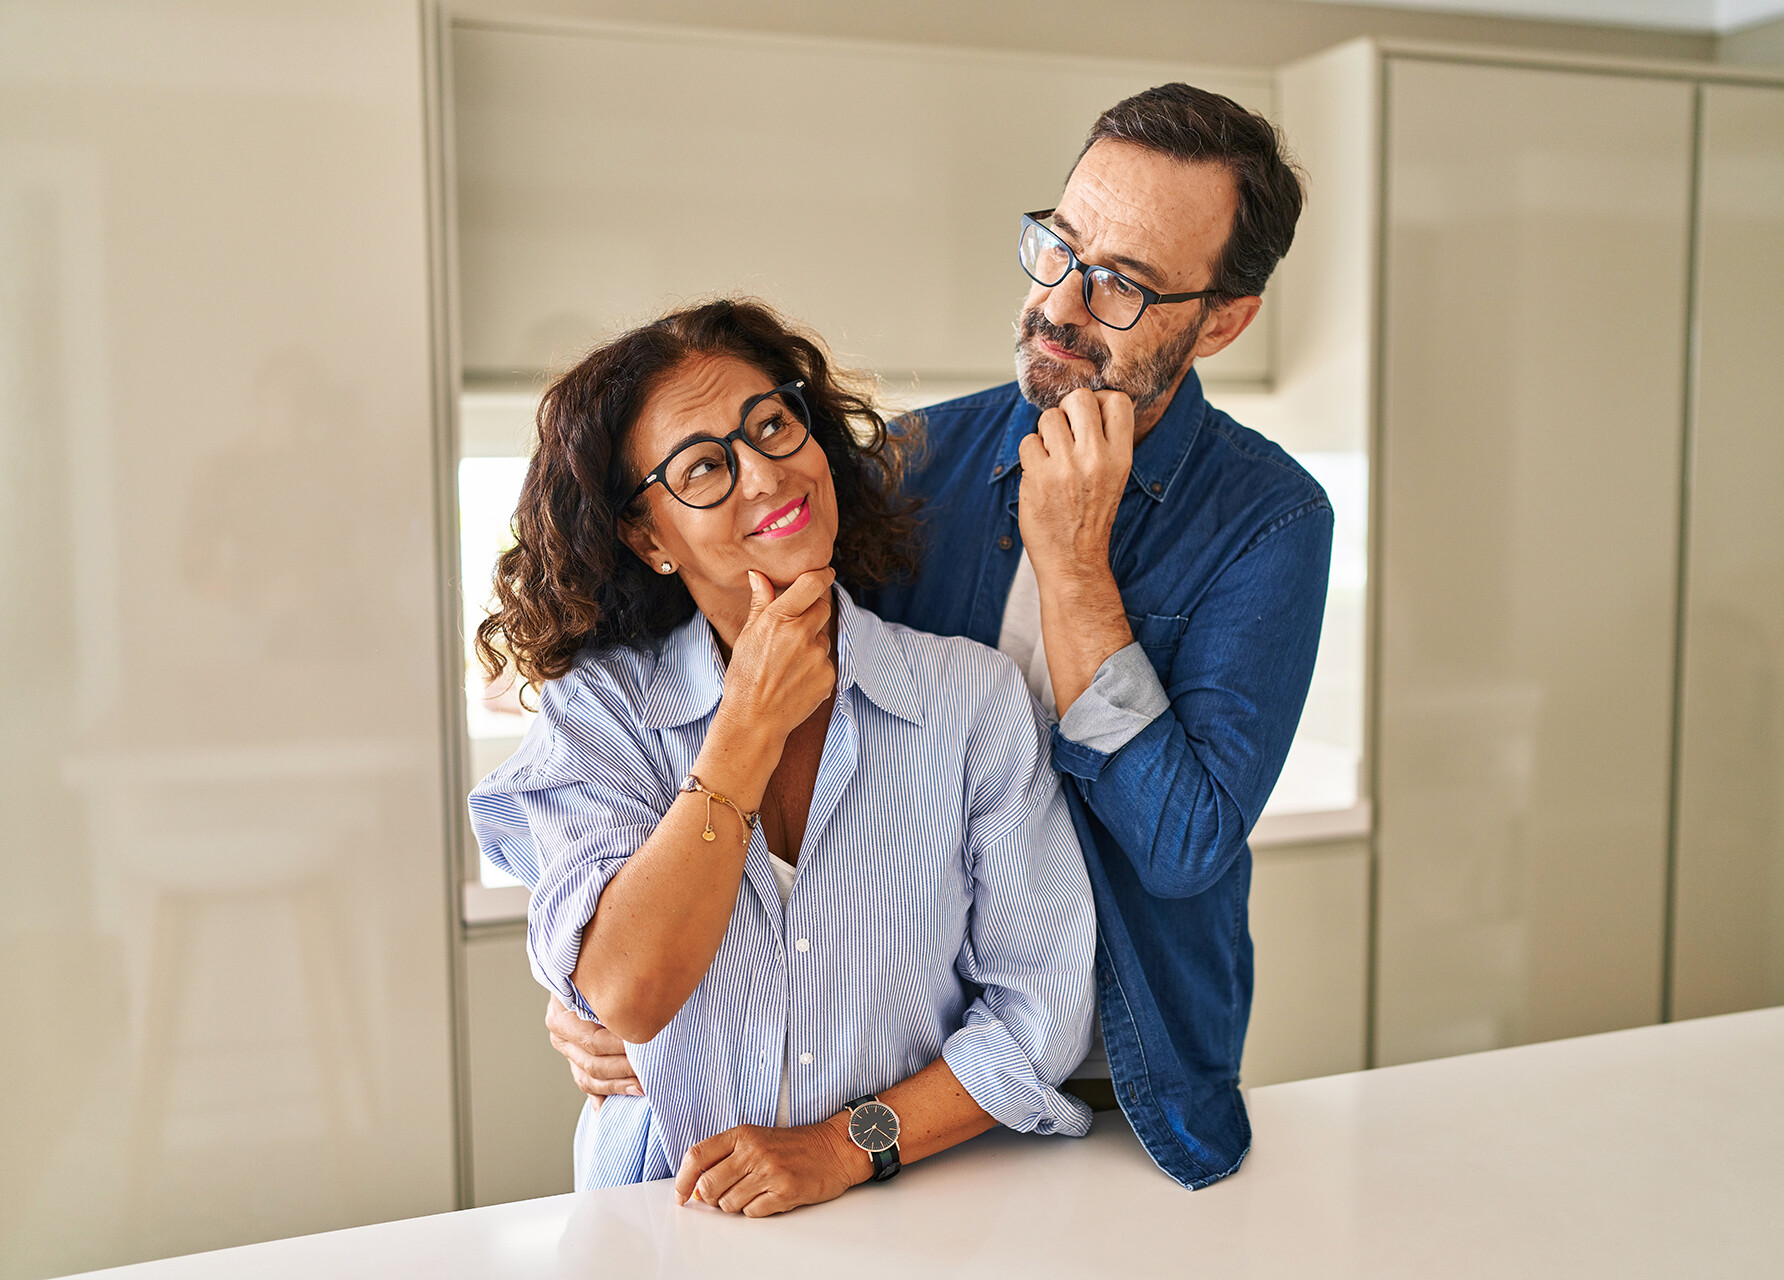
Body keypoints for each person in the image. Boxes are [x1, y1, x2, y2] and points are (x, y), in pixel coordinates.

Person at [550, 82, 1329, 1191]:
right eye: (1059, 247)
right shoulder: (908, 464)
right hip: (896, 1073)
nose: (1059, 303)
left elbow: (1182, 849)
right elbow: (724, 672)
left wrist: (1075, 569)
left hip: (1128, 1074)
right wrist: (591, 972)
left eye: (1122, 283)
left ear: (1222, 321)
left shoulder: (1270, 521)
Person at [471, 300, 1096, 1214]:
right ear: (649, 537)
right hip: (663, 1218)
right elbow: (626, 993)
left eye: (771, 425)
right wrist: (745, 730)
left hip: (918, 1214)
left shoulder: (973, 702)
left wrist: (845, 1147)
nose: (765, 474)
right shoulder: (600, 711)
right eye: (703, 467)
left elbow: (1040, 1016)